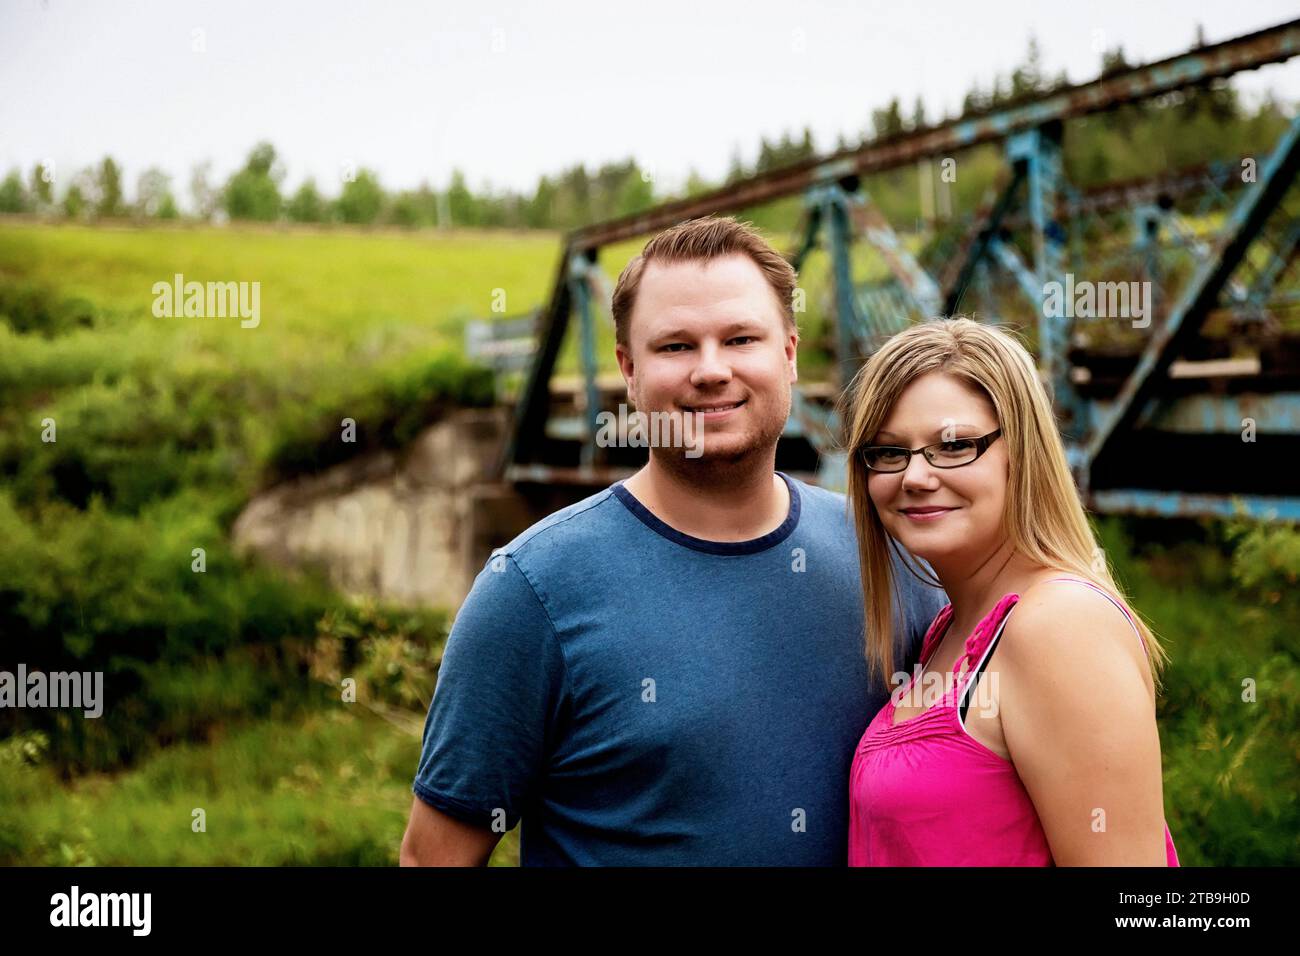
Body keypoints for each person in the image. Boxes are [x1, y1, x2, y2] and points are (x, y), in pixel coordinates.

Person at [399, 215, 946, 865]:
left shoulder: (893, 559)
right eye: (676, 347)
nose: (711, 371)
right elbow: (434, 858)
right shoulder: (531, 591)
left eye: (741, 338)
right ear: (629, 372)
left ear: (790, 355)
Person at [842, 317, 1179, 866]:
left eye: (953, 445)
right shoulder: (947, 631)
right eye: (888, 451)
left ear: (1020, 454)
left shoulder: (1059, 626)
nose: (916, 476)